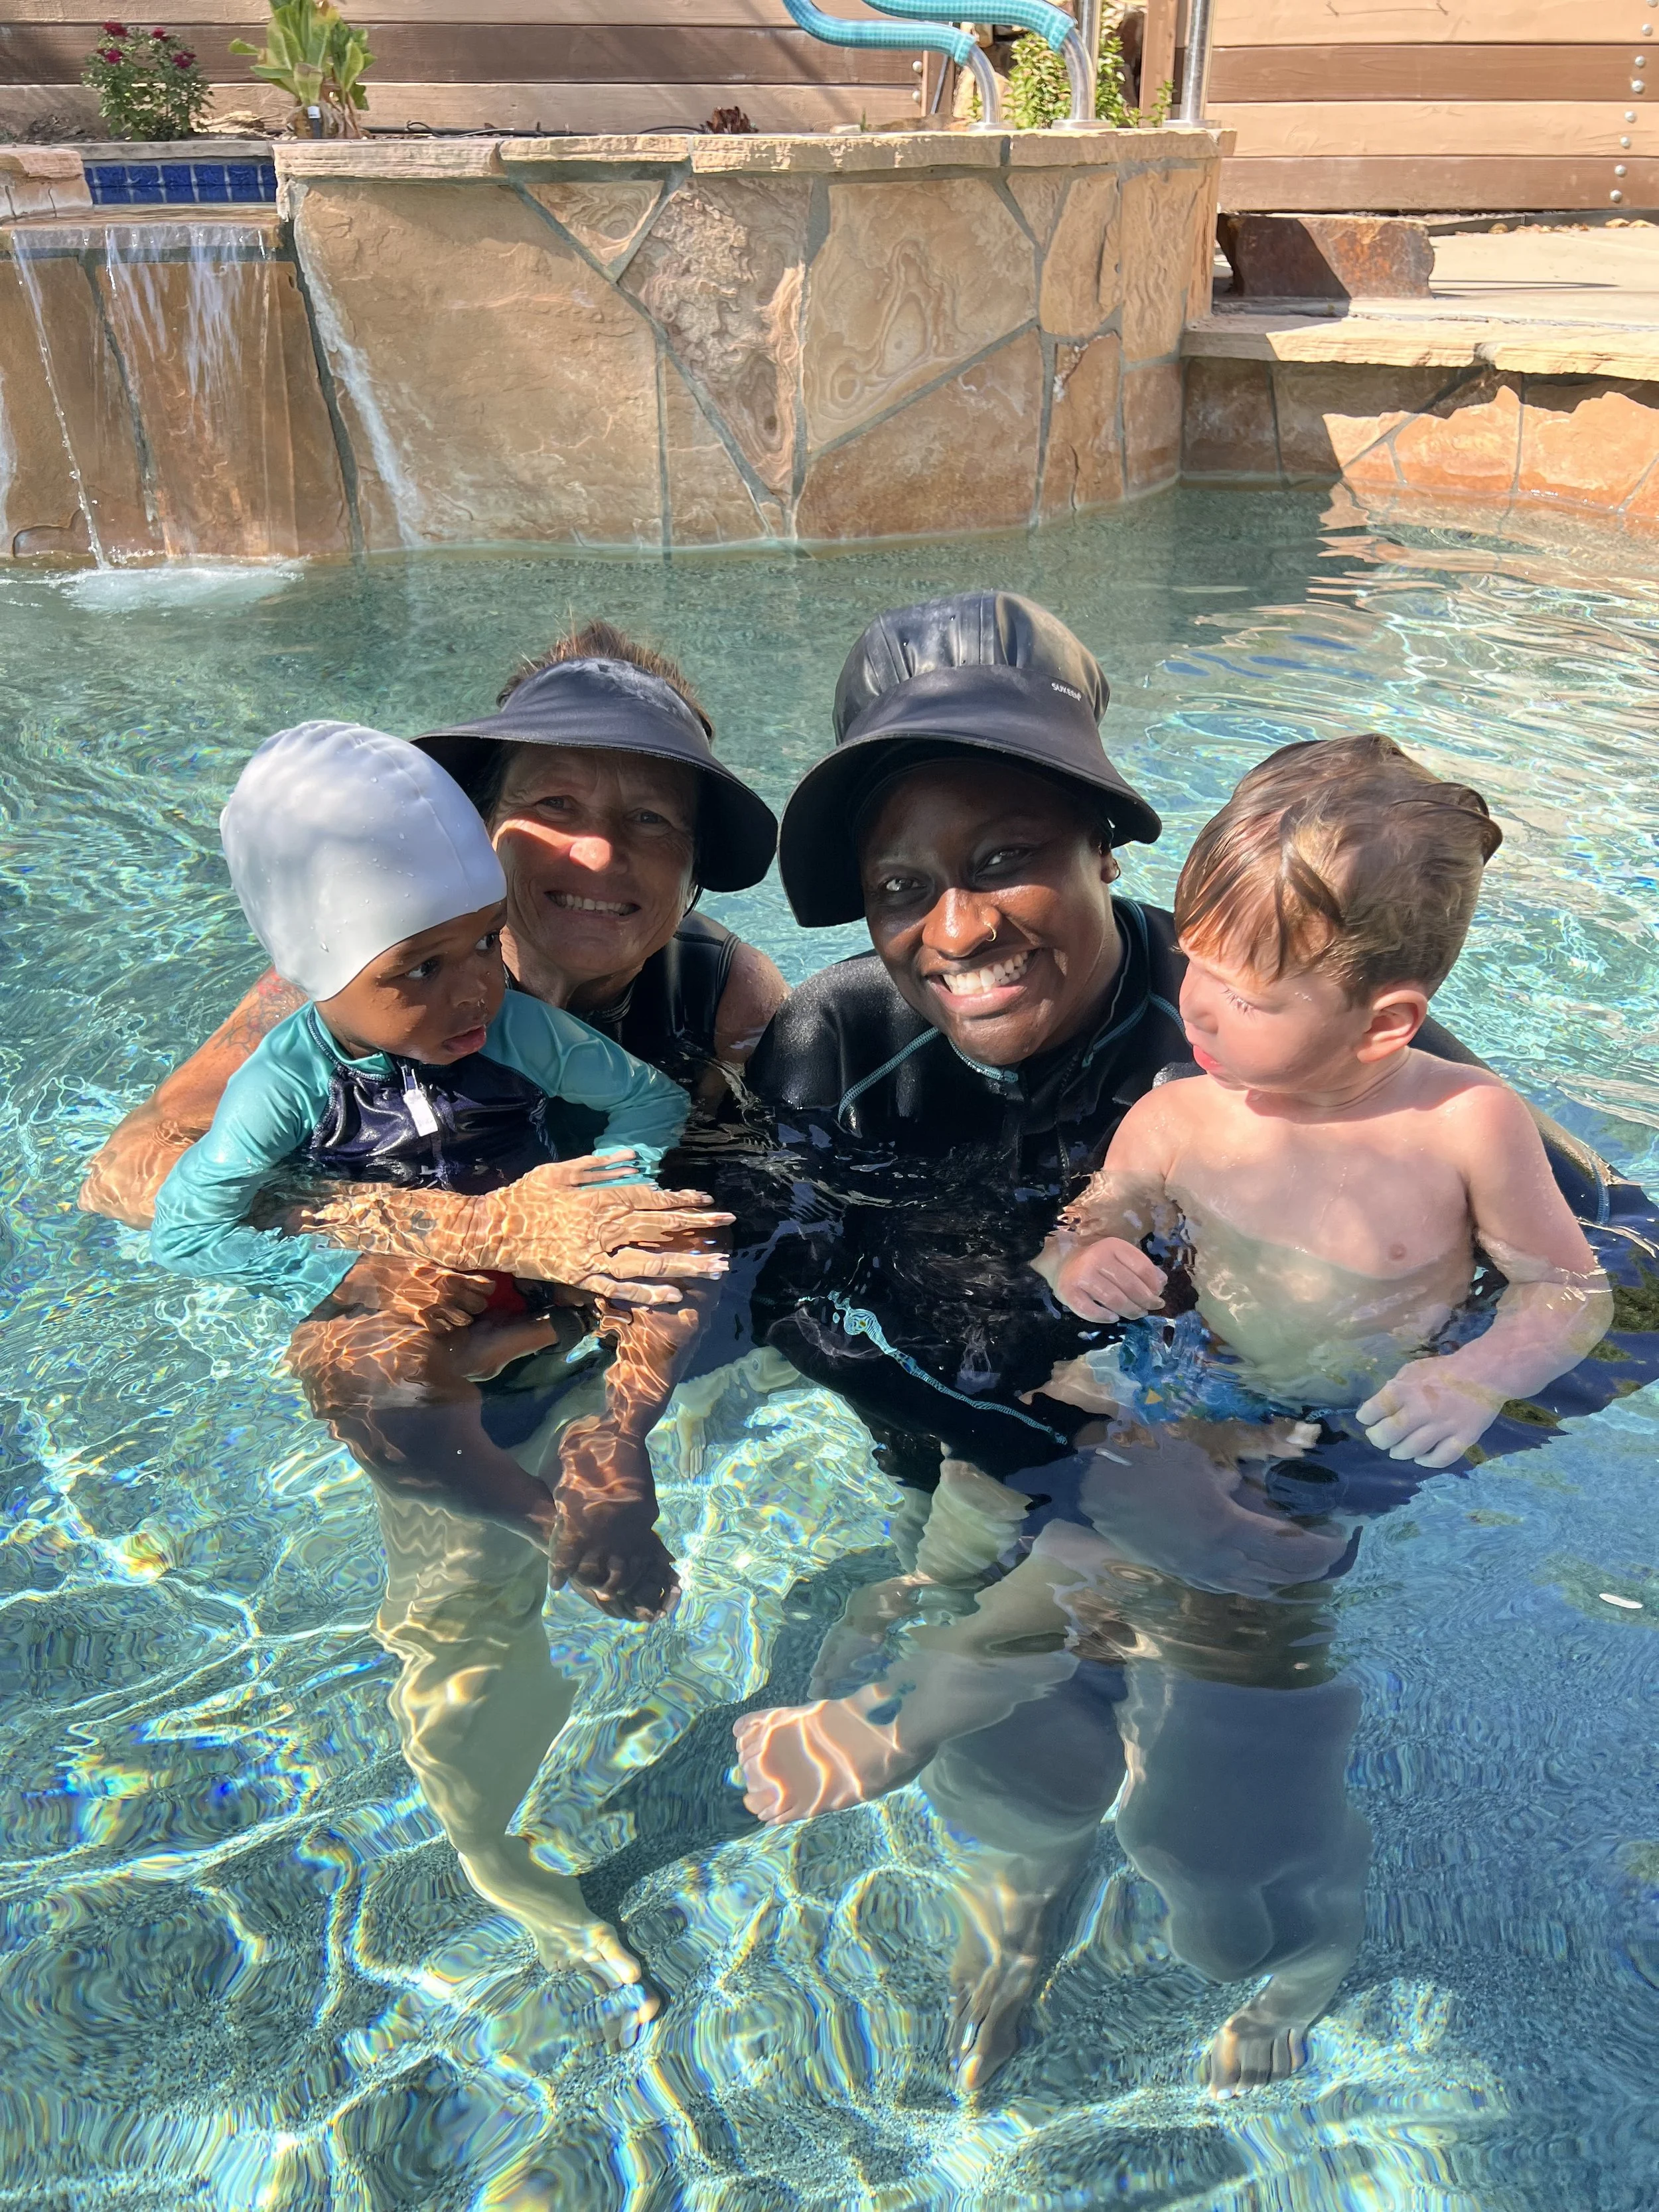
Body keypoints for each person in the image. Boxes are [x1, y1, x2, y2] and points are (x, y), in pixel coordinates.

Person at [720, 589, 1647, 2092]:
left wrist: (1328, 1475)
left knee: (1209, 1831)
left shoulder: (1408, 1086)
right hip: (1113, 1410)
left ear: (1107, 841)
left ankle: (1280, 1949)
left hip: (1259, 1459)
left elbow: (1616, 1278)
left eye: (1007, 857)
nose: (951, 928)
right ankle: (1001, 1873)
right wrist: (1064, 1305)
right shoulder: (849, 1047)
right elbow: (802, 1273)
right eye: (902, 884)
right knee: (1006, 1639)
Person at [77, 622, 783, 2039]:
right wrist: (458, 1235)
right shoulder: (338, 992)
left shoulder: (722, 994)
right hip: (454, 1358)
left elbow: (774, 1191)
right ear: (476, 828)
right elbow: (127, 1170)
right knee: (427, 1534)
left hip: (625, 1320)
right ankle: (495, 1849)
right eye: (560, 809)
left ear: (693, 862)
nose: (601, 855)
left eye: (650, 818)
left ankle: (623, 1474)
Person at [149, 719, 697, 1613]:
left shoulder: (517, 1027)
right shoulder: (287, 1083)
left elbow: (652, 1103)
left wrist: (610, 1192)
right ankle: (539, 1516)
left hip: (553, 1271)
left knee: (681, 1239)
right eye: (421, 968)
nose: (475, 987)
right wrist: (351, 1276)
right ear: (313, 969)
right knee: (350, 1374)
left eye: (486, 941)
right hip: (420, 1294)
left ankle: (618, 1439)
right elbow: (184, 1230)